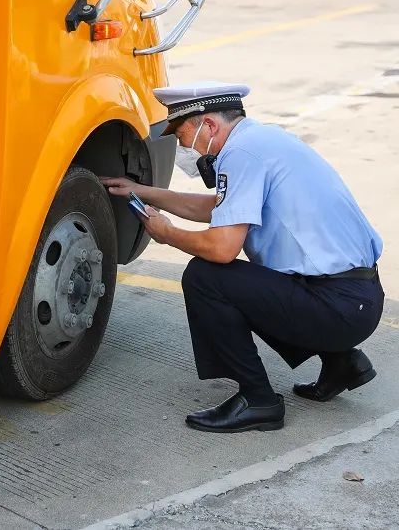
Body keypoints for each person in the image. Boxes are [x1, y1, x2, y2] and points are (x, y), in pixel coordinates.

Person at [101, 82, 384, 433]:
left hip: (338, 307)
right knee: (255, 284)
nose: (182, 145)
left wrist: (167, 234)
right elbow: (219, 207)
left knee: (207, 278)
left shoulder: (241, 155)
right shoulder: (261, 142)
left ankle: (258, 400)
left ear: (209, 125)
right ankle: (342, 361)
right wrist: (144, 192)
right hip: (357, 298)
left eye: (182, 133)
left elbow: (222, 248)